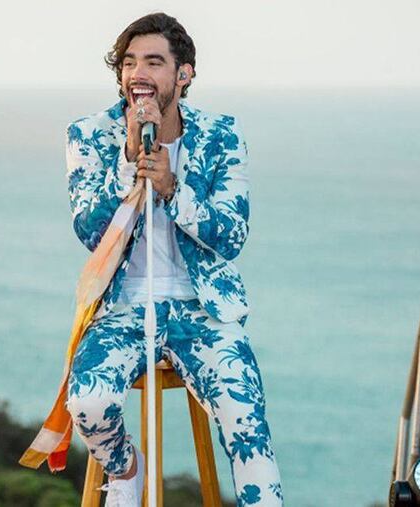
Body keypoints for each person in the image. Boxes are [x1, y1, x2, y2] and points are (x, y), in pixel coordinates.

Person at [44, 12, 283, 507]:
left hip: (203, 311)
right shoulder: (89, 135)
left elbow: (232, 235)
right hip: (121, 309)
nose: (138, 73)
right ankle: (126, 471)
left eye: (154, 62)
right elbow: (91, 232)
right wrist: (127, 161)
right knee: (88, 403)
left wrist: (174, 189)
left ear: (184, 74)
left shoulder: (222, 135)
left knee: (248, 422)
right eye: (129, 62)